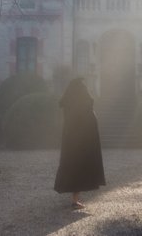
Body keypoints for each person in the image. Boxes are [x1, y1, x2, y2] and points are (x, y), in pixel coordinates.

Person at [54, 78, 105, 209]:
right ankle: (75, 201)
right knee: (80, 169)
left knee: (73, 168)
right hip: (82, 142)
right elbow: (87, 117)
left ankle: (75, 199)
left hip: (71, 142)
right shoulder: (83, 102)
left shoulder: (69, 103)